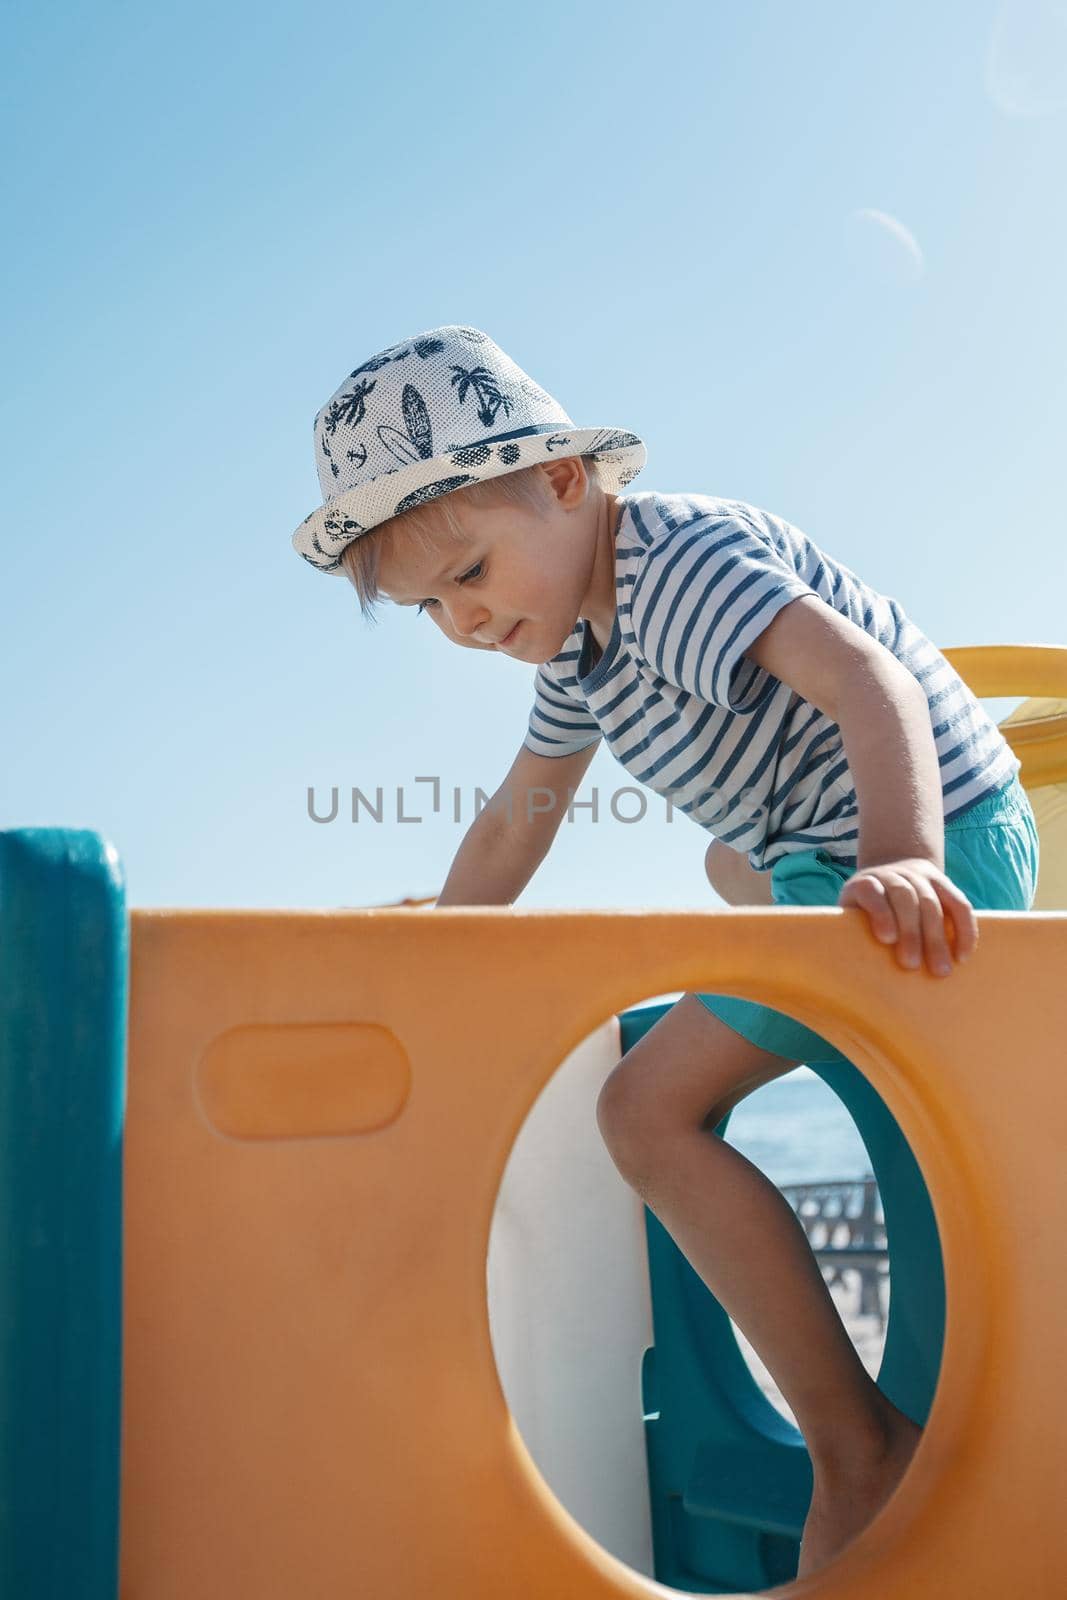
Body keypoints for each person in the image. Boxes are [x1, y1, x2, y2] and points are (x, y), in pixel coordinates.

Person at [292, 324, 1040, 1577]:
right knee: (715, 869)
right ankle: (856, 1421)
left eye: (471, 570)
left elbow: (871, 683)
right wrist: (438, 944)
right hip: (812, 855)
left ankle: (853, 1444)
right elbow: (517, 817)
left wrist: (900, 855)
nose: (465, 620)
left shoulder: (678, 563)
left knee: (644, 1113)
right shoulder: (579, 651)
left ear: (568, 483)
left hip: (929, 843)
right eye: (433, 608)